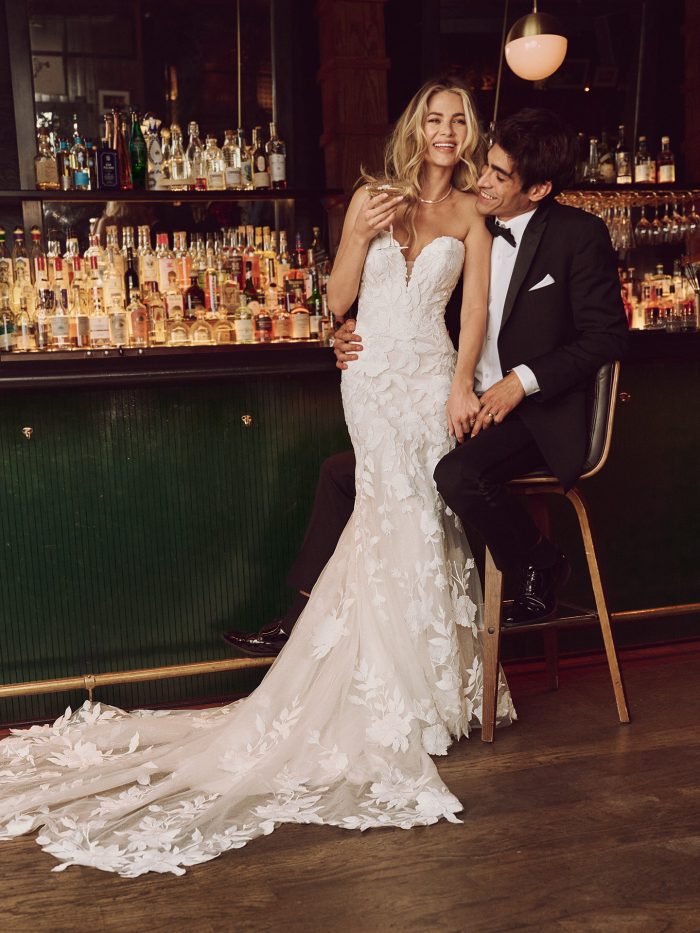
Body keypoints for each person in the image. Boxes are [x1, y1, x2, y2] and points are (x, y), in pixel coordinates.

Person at [0, 79, 515, 878]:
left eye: (460, 122)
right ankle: (392, 693)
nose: (447, 131)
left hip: (428, 377)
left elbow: (475, 311)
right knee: (391, 509)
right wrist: (356, 240)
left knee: (427, 516)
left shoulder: (471, 218)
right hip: (371, 376)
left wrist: (459, 386)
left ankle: (438, 692)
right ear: (415, 126)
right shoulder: (372, 197)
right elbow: (336, 302)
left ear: (469, 134)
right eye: (435, 118)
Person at [226, 106, 628, 657]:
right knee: (345, 474)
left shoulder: (578, 236)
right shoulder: (468, 223)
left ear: (538, 190)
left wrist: (520, 383)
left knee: (454, 473)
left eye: (499, 176)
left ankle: (539, 562)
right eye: (485, 166)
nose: (483, 180)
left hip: (535, 413)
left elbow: (605, 337)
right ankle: (301, 620)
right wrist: (342, 331)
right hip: (453, 399)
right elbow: (417, 302)